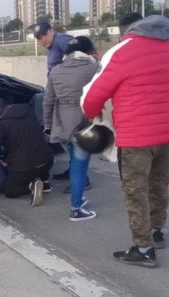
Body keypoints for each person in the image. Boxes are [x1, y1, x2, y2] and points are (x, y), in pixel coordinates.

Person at [81, 13, 169, 267]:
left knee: (135, 191)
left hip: (138, 137)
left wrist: (90, 111)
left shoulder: (123, 50)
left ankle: (143, 247)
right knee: (159, 184)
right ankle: (157, 232)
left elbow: (94, 95)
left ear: (123, 31)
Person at [43, 36, 99, 222]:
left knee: (75, 162)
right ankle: (76, 208)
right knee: (79, 166)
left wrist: (48, 126)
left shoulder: (55, 71)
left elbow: (48, 101)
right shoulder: (93, 68)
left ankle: (78, 199)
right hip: (84, 124)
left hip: (61, 126)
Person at [0, 99, 54, 207]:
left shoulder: (1, 124)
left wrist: (3, 159)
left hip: (26, 167)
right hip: (47, 160)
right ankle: (44, 181)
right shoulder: (28, 110)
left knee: (9, 190)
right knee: (37, 157)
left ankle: (31, 186)